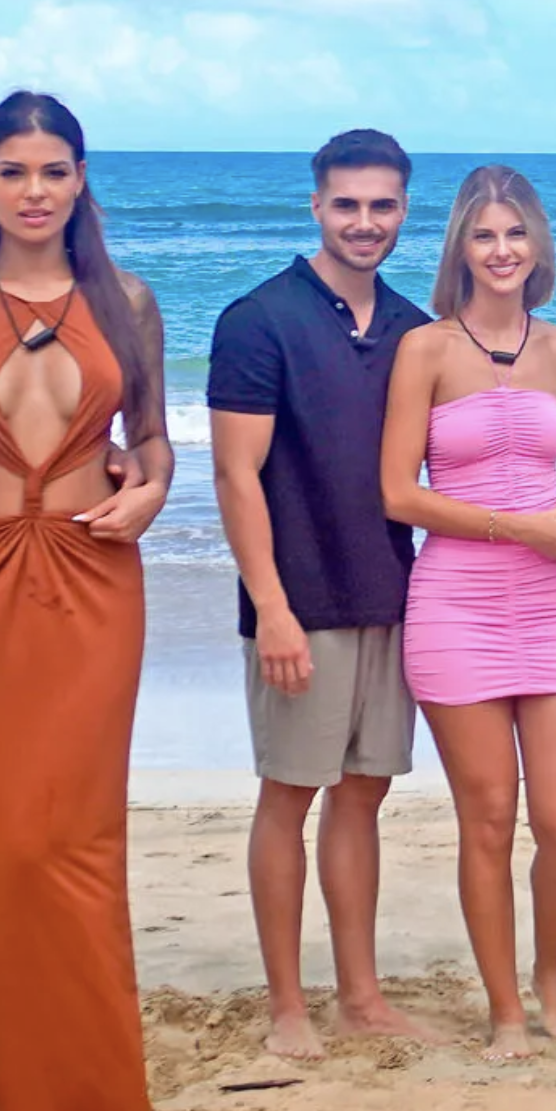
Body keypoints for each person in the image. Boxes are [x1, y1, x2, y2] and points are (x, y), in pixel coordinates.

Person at [0, 91, 170, 1111]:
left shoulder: (127, 299)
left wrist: (150, 488)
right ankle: (31, 1096)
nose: (33, 191)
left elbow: (154, 441)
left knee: (77, 834)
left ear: (80, 182)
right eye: (13, 171)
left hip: (92, 576)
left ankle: (97, 1101)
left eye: (53, 171)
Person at [209, 130, 439, 1058]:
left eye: (382, 206)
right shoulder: (257, 320)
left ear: (403, 211)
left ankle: (361, 996)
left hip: (391, 595)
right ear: (316, 205)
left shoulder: (415, 327)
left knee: (361, 798)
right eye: (347, 204)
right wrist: (270, 608)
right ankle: (287, 1008)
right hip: (298, 606)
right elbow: (235, 475)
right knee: (289, 797)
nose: (364, 222)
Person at [383, 166, 556, 1057]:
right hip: (456, 606)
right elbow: (398, 492)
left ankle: (550, 974)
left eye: (516, 234)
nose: (502, 250)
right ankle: (505, 1007)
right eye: (484, 236)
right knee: (487, 817)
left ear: (538, 245)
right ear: (461, 250)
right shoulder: (426, 350)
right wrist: (516, 527)